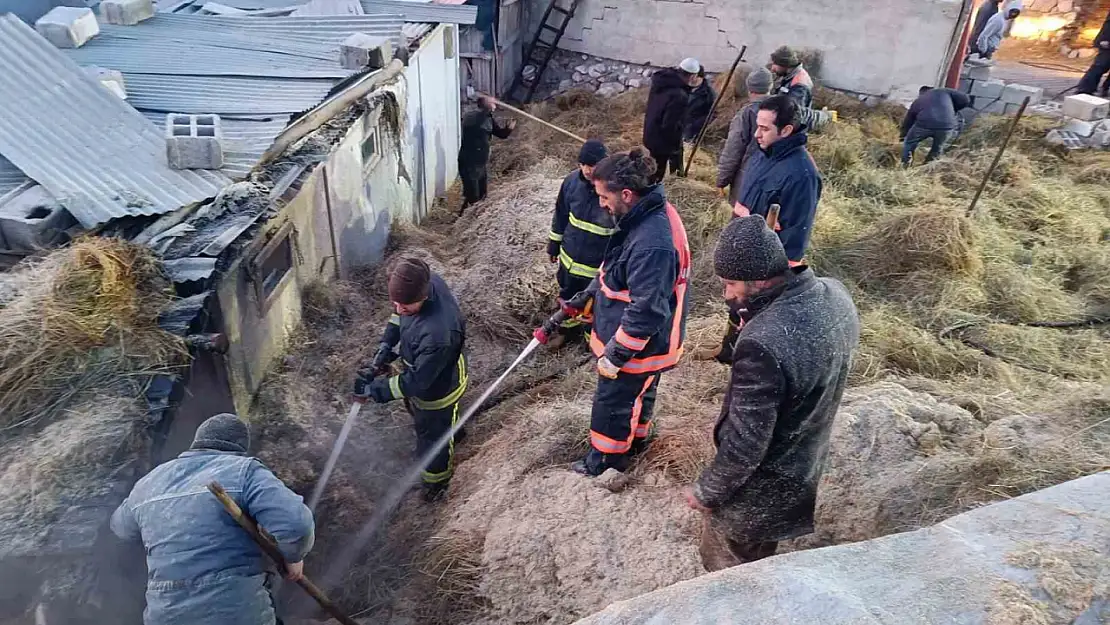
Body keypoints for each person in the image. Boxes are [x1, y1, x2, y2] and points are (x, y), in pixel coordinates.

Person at [682, 216, 859, 571]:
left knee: (729, 569)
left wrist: (708, 490)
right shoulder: (835, 296)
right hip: (802, 469)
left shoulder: (762, 343)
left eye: (731, 283)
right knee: (761, 558)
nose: (726, 294)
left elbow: (746, 445)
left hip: (756, 494)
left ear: (761, 279)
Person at [552, 148, 690, 476]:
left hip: (641, 344)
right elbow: (614, 269)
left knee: (613, 401)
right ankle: (637, 441)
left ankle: (605, 463)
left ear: (626, 194)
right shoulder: (641, 217)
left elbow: (647, 310)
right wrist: (585, 296)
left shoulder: (652, 243)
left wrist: (616, 355)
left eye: (604, 196)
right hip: (646, 342)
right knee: (639, 394)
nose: (600, 203)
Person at [111, 413, 315, 625]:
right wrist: (293, 557)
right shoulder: (243, 471)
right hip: (234, 611)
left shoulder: (148, 483)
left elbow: (120, 528)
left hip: (165, 614)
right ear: (239, 448)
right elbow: (296, 524)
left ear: (197, 442)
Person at [353, 257, 467, 501]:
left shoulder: (439, 334)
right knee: (439, 423)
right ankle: (455, 431)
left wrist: (376, 390)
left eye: (405, 306)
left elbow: (416, 382)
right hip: (433, 368)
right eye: (396, 303)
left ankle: (436, 484)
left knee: (432, 438)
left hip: (438, 389)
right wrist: (386, 344)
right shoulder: (422, 285)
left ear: (424, 296)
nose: (398, 310)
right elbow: (399, 317)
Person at [733, 94, 822, 266]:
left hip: (762, 263)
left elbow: (795, 238)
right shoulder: (762, 153)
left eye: (764, 129)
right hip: (741, 248)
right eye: (758, 126)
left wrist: (776, 280)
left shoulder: (802, 176)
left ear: (786, 130)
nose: (756, 134)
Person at [546, 139, 612, 347]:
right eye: (584, 164)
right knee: (567, 297)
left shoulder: (613, 191)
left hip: (595, 269)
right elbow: (561, 214)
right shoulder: (571, 183)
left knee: (594, 306)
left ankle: (590, 341)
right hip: (569, 260)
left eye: (593, 165)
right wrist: (554, 245)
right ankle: (567, 332)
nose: (588, 170)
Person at [716, 67, 774, 205]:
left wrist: (722, 180)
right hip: (777, 177)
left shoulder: (746, 114)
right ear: (771, 86)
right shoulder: (785, 108)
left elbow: (733, 150)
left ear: (749, 89)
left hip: (749, 176)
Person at [643, 58, 700, 182]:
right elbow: (670, 124)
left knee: (652, 166)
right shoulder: (679, 95)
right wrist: (675, 146)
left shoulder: (663, 82)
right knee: (657, 172)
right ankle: (652, 191)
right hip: (662, 140)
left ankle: (670, 180)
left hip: (650, 131)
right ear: (692, 76)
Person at [457, 95, 516, 212]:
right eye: (492, 102)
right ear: (485, 105)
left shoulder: (488, 119)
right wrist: (488, 107)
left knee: (482, 194)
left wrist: (509, 127)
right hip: (469, 162)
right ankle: (466, 220)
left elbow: (501, 134)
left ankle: (468, 216)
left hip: (480, 163)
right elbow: (479, 119)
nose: (495, 104)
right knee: (473, 196)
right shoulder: (471, 117)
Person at [900, 86, 972, 166]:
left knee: (909, 143)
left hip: (924, 124)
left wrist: (903, 135)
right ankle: (927, 168)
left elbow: (909, 120)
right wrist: (954, 109)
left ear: (921, 93)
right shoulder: (944, 91)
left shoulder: (919, 100)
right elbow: (966, 99)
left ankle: (905, 166)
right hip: (946, 125)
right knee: (938, 148)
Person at [1077, 10, 1110, 97]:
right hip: (1107, 43)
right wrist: (1106, 39)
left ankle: (1105, 88)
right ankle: (1084, 90)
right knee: (1100, 66)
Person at [683, 65, 718, 144]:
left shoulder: (708, 94)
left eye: (692, 76)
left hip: (693, 132)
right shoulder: (683, 88)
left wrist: (694, 126)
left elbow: (713, 114)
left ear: (698, 76)